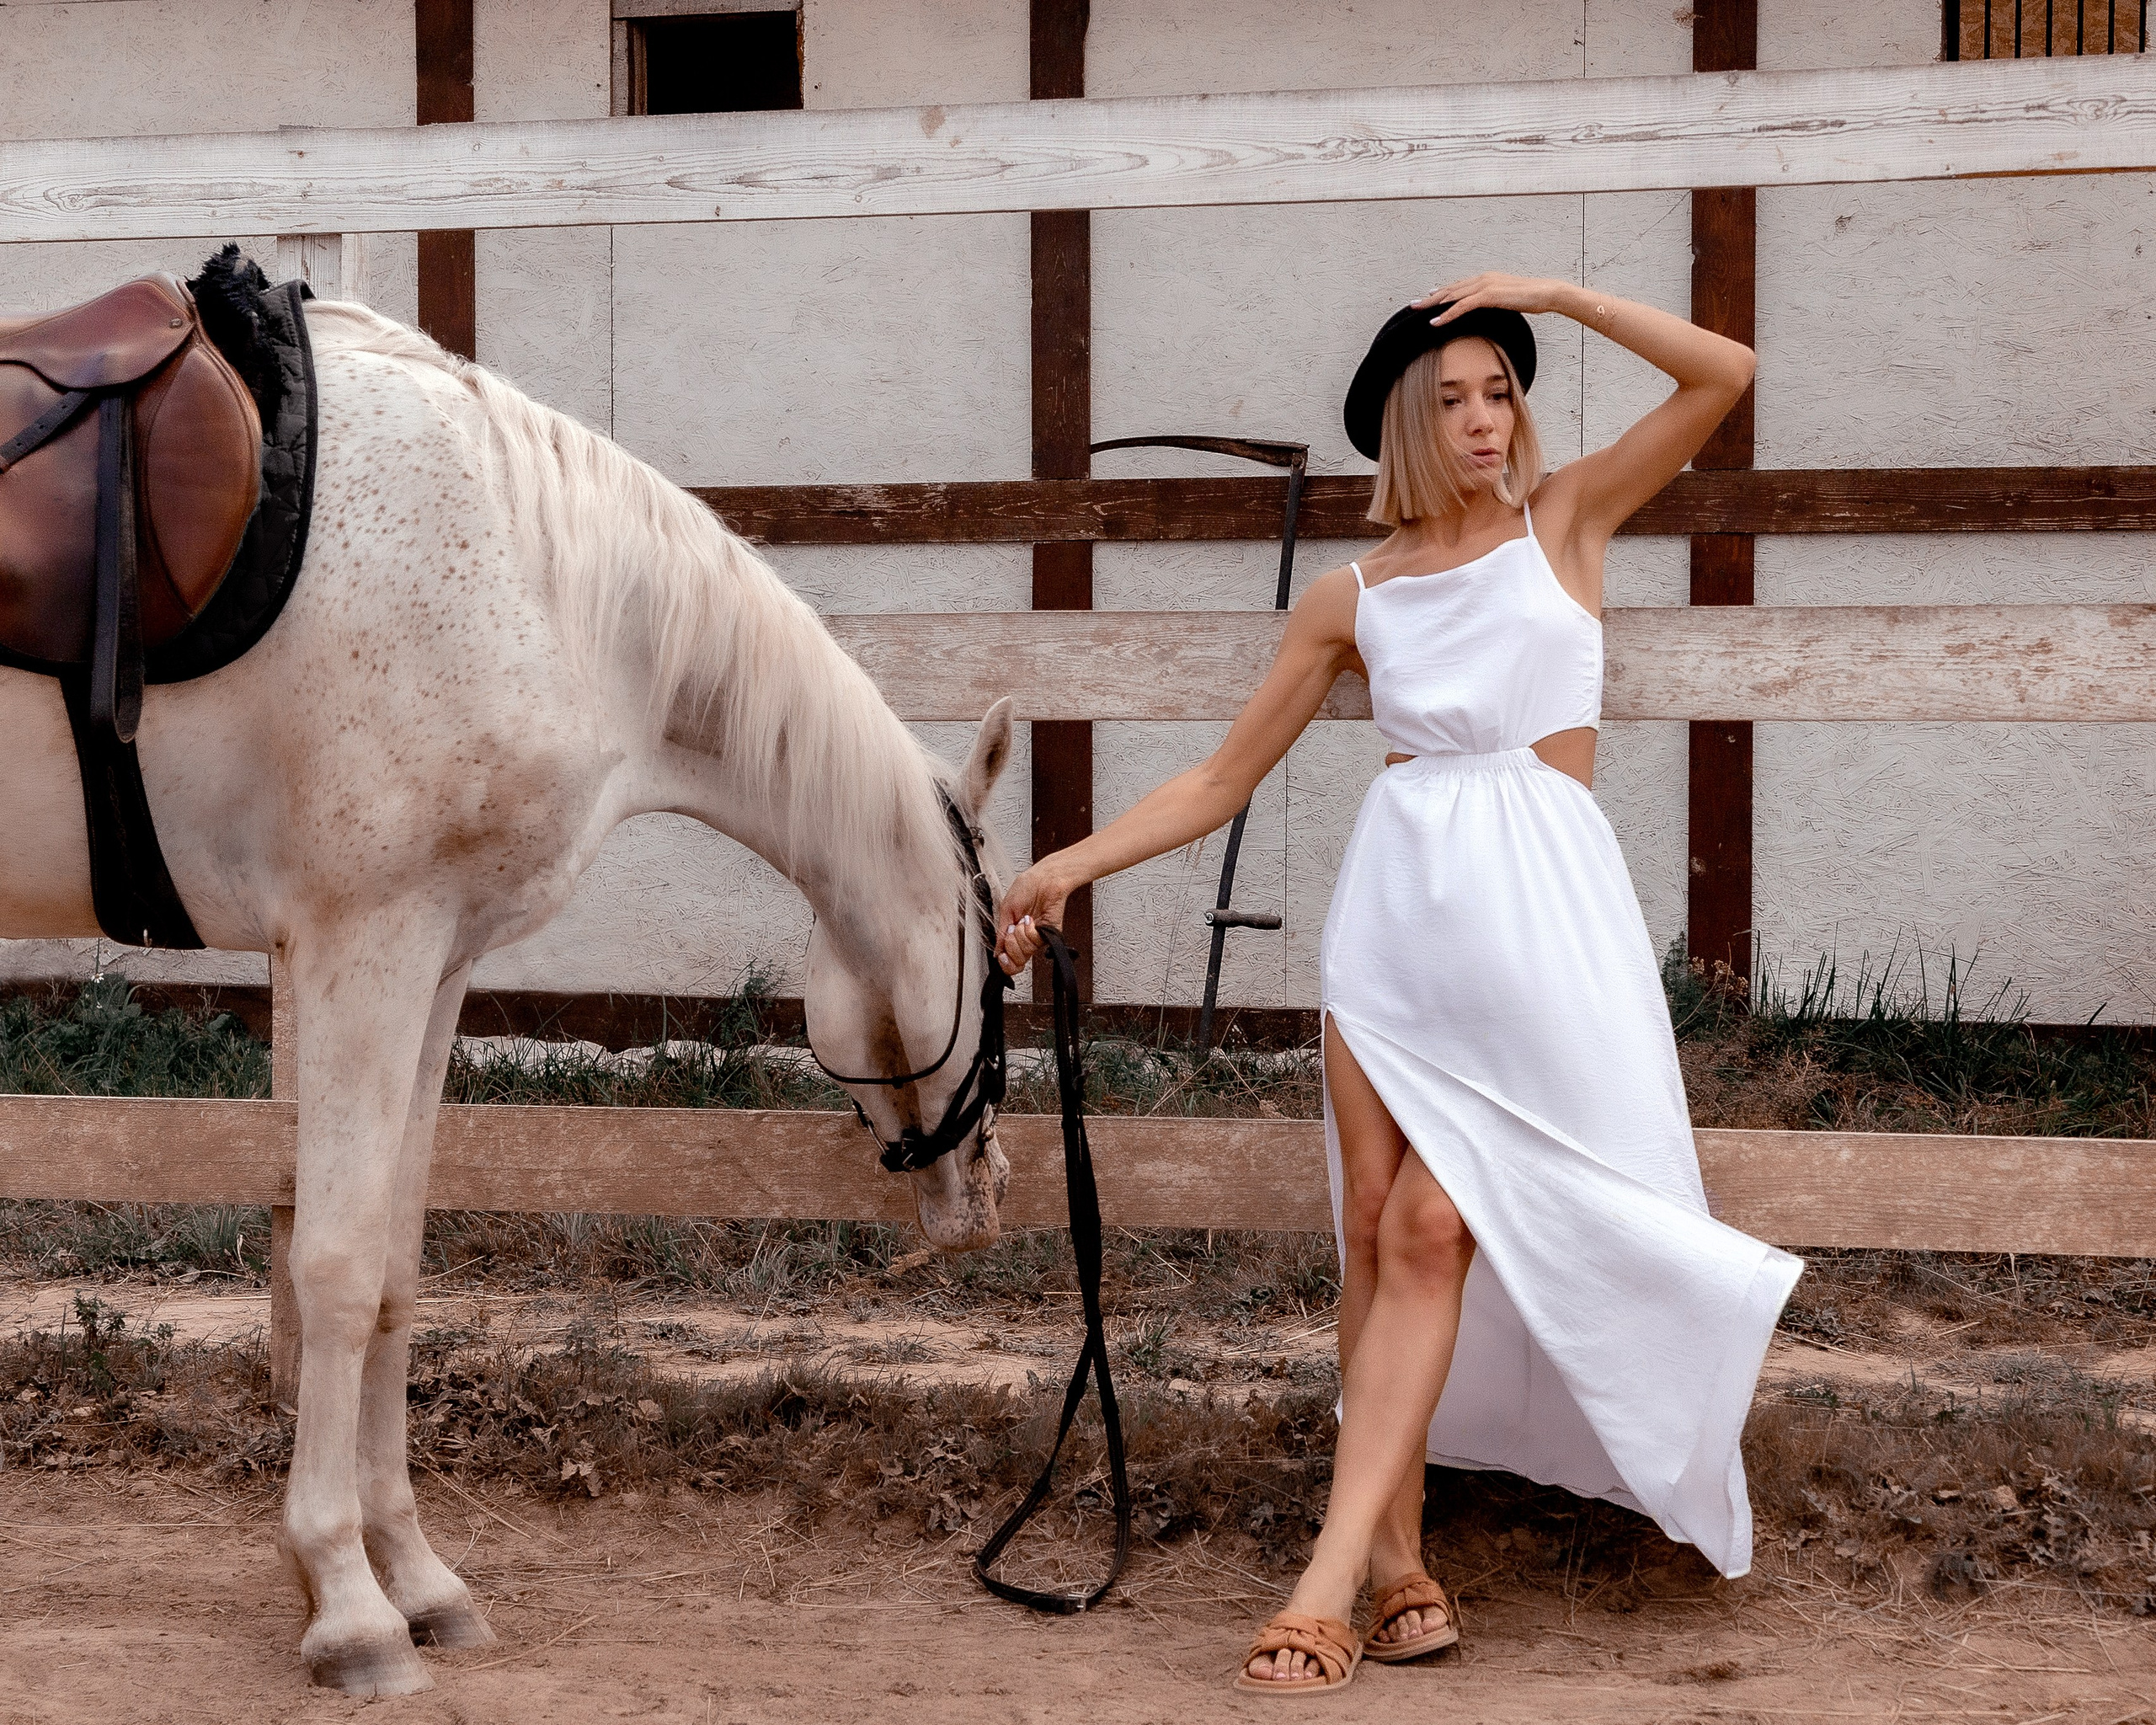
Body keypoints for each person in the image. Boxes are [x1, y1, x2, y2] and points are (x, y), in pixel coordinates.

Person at [993, 272, 1805, 1696]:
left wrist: (1559, 295)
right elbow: (1219, 778)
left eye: (1503, 391)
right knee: (1377, 1230)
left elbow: (1724, 375)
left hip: (1548, 931)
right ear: (1405, 426)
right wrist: (1071, 863)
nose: (1487, 421)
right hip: (1399, 931)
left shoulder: (1568, 522)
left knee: (1439, 1224)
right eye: (1455, 399)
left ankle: (1322, 1568)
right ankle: (1391, 1556)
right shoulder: (1349, 597)